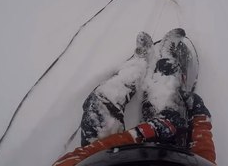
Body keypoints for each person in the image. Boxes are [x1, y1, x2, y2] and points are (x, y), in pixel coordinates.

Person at [53, 28, 216, 166]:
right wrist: (200, 117)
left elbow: (79, 157)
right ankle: (167, 56)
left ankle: (139, 65)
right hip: (168, 151)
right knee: (168, 91)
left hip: (104, 156)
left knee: (101, 98)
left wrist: (141, 132)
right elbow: (202, 158)